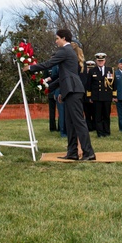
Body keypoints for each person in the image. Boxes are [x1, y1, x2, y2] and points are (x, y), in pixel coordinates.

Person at [26, 29, 95, 161]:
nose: (56, 40)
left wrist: (30, 68)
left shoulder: (65, 50)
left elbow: (48, 64)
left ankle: (89, 152)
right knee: (69, 123)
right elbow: (63, 77)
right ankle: (72, 152)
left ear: (64, 38)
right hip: (70, 90)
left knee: (79, 122)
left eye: (57, 38)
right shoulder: (68, 52)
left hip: (74, 90)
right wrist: (47, 87)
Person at [88, 52, 114, 137]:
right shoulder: (92, 71)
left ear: (105, 61)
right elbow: (89, 85)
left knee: (106, 115)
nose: (100, 62)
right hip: (97, 97)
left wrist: (114, 95)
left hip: (107, 96)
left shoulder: (110, 70)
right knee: (98, 116)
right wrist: (89, 96)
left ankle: (107, 132)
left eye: (102, 60)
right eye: (99, 61)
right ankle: (100, 133)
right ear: (96, 61)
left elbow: (113, 84)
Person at [82, 58, 96, 132]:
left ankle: (94, 126)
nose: (89, 69)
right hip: (85, 98)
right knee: (87, 114)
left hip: (93, 97)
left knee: (94, 113)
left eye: (91, 68)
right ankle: (88, 127)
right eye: (88, 68)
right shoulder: (83, 75)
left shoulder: (95, 75)